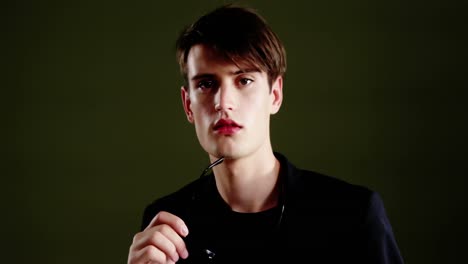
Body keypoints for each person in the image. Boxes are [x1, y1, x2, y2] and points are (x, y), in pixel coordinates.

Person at [127, 4, 403, 264]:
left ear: (275, 94)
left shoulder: (351, 216)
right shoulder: (167, 226)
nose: (224, 102)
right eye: (207, 84)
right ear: (188, 105)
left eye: (244, 80)